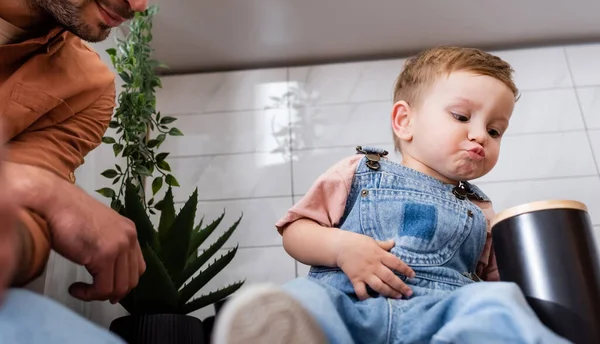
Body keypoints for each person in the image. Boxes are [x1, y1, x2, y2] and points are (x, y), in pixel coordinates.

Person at [212, 46, 572, 344]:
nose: (480, 135)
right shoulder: (359, 170)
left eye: (495, 130)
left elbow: (500, 280)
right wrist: (342, 248)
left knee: (498, 302)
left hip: (438, 319)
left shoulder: (481, 209)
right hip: (348, 305)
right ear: (404, 121)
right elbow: (295, 231)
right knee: (304, 299)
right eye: (462, 117)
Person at [0, 0, 178, 342]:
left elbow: (26, 228)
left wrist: (25, 227)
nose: (140, 0)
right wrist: (37, 187)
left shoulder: (89, 89)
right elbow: (40, 193)